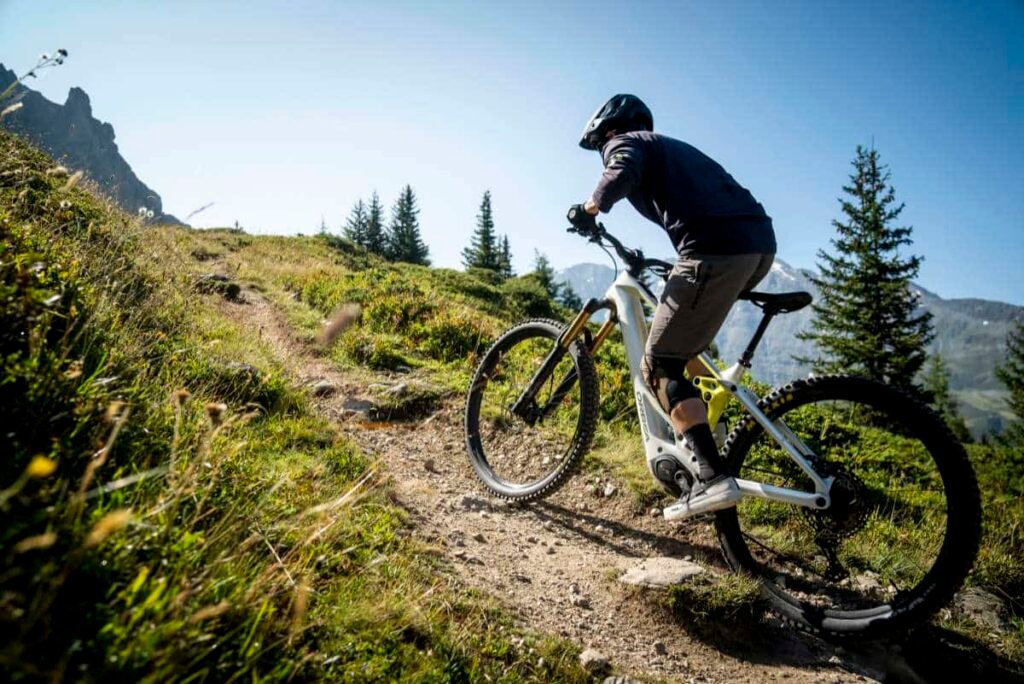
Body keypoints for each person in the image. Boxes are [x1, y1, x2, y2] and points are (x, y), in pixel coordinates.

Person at [570, 94, 776, 518]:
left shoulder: (626, 142)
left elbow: (620, 170)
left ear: (608, 130)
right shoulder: (670, 147)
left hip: (715, 249)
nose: (602, 155)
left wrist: (589, 209)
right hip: (757, 247)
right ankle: (709, 425)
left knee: (658, 364)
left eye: (600, 149)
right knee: (682, 343)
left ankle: (711, 477)